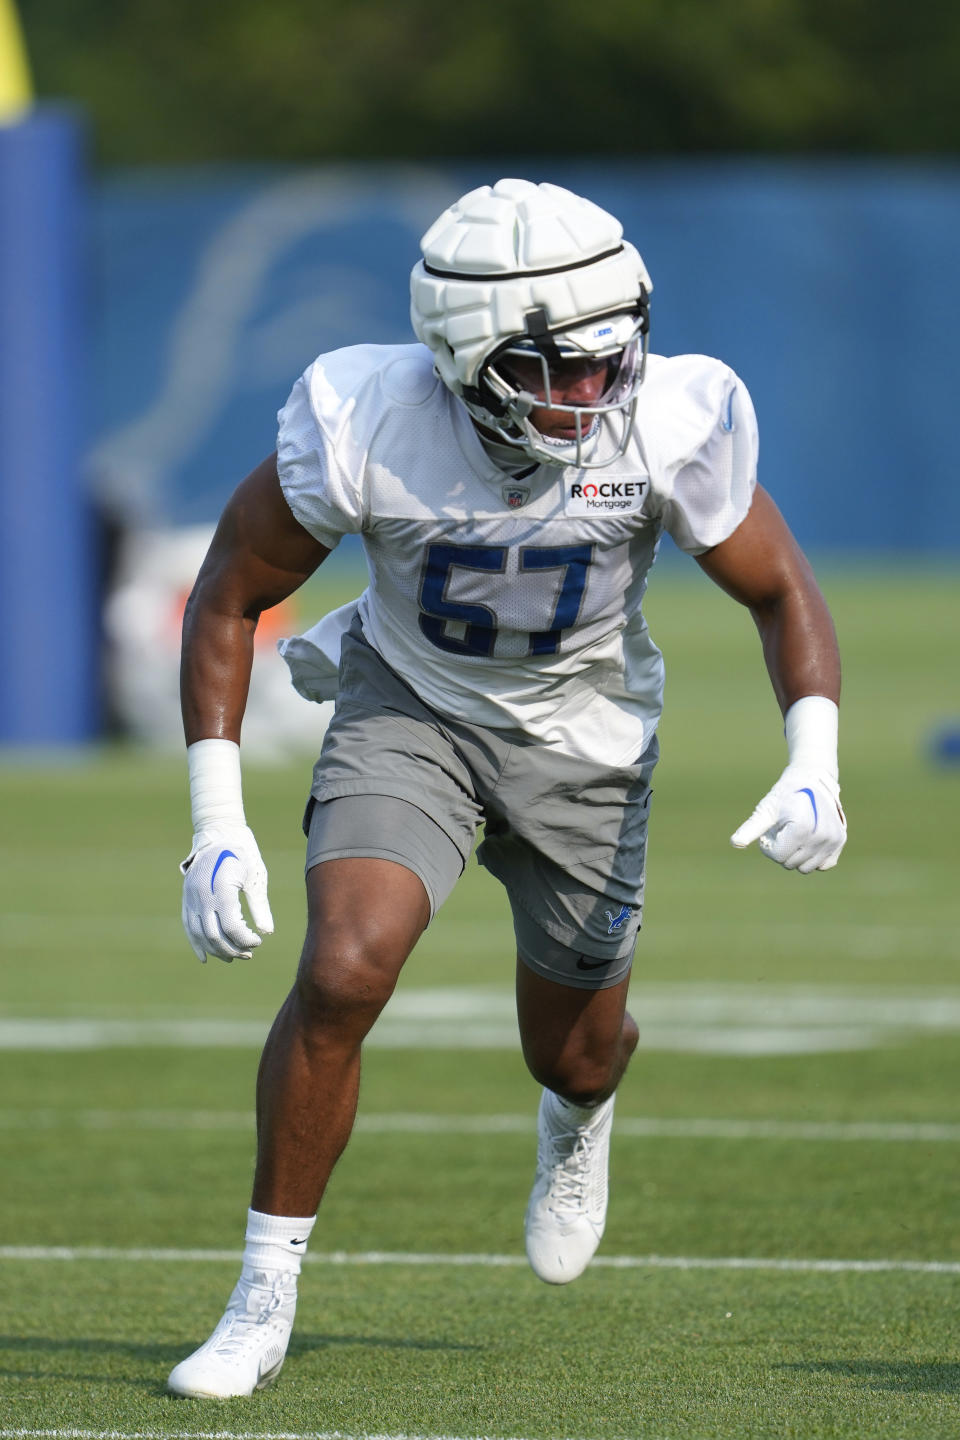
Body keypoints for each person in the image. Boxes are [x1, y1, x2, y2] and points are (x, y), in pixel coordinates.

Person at [167, 178, 847, 1399]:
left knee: (576, 1056)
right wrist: (216, 825)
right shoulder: (364, 414)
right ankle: (261, 1296)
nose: (599, 391)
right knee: (342, 970)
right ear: (470, 356)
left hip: (588, 749)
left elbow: (780, 587)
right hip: (409, 711)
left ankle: (579, 1123)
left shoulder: (670, 417)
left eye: (610, 360)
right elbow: (227, 594)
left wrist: (816, 758)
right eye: (562, 369)